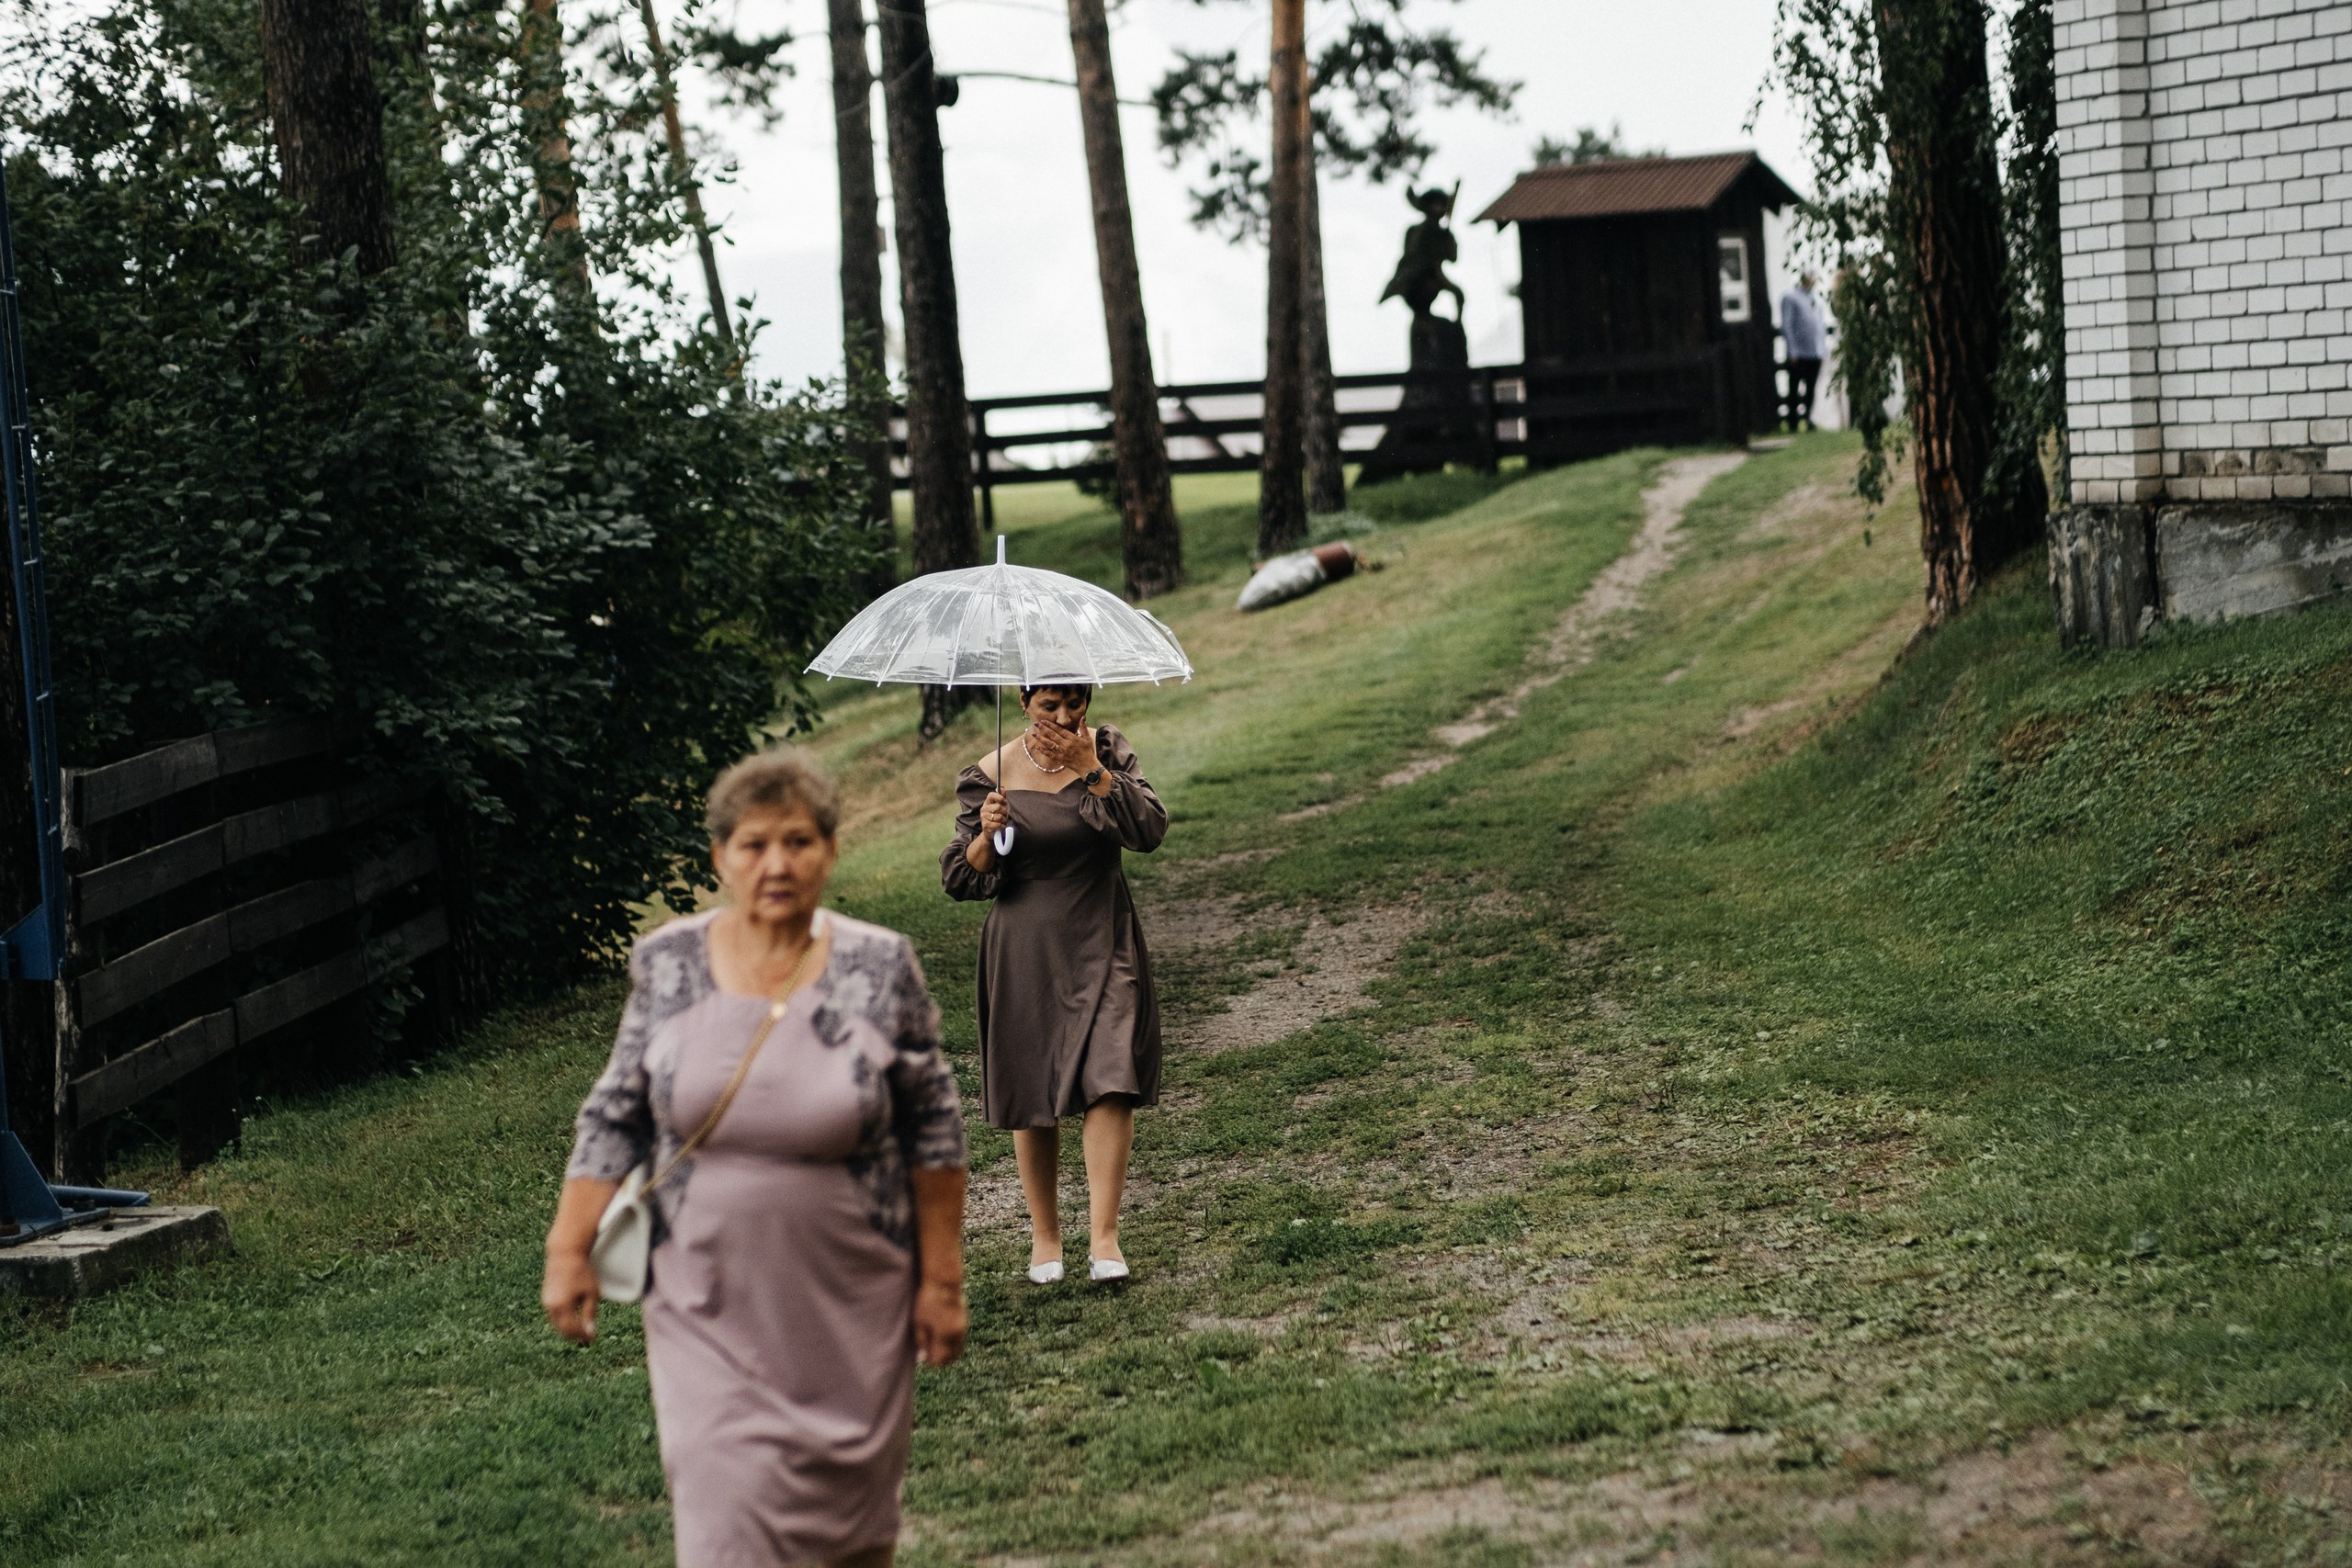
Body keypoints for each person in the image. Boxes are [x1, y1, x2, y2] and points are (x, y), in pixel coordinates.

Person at [544, 748, 968, 1568]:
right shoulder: (667, 965)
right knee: (726, 1525)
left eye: (800, 841)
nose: (778, 863)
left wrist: (941, 1282)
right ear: (720, 857)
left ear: (832, 850)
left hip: (853, 1298)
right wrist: (568, 1249)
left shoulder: (881, 966)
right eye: (754, 844)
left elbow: (936, 1131)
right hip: (705, 1298)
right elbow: (614, 1114)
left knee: (853, 1536)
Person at [941, 683, 1166, 1286]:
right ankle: (1045, 1238)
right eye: (1050, 705)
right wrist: (987, 836)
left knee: (1112, 1076)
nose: (1064, 717)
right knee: (1032, 1089)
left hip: (1102, 930)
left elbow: (1148, 830)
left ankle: (1105, 1237)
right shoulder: (988, 773)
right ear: (1022, 701)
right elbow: (963, 879)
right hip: (1025, 945)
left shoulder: (1107, 750)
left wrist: (1090, 769)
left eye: (1075, 702)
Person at [1780, 270, 1830, 430]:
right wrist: (1792, 351)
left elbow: (1820, 324)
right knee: (1794, 387)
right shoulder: (1790, 297)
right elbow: (1787, 325)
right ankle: (1792, 421)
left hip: (1814, 350)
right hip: (1799, 351)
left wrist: (1823, 348)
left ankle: (1809, 418)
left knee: (1811, 388)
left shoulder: (1816, 298)